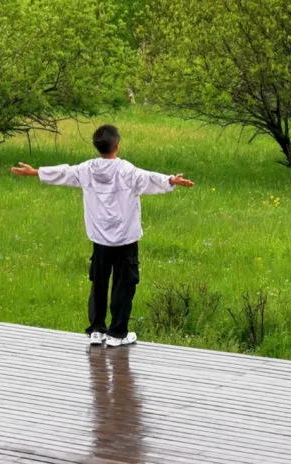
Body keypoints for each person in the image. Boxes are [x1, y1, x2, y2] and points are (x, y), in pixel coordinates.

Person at [11, 123, 194, 347]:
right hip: (126, 239)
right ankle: (117, 333)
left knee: (98, 282)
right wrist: (171, 180)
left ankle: (96, 329)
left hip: (99, 239)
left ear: (97, 146)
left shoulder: (86, 169)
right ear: (117, 145)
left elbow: (64, 172)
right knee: (124, 284)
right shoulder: (126, 170)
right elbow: (148, 178)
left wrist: (36, 172)